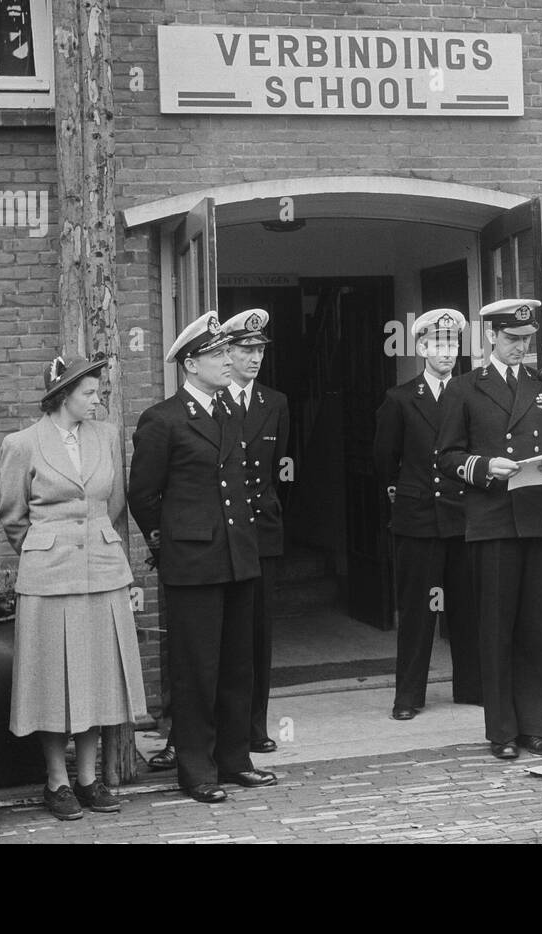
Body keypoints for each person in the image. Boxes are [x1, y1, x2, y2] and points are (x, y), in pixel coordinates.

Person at [127, 311, 275, 803]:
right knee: (197, 669)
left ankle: (234, 759)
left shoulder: (228, 411)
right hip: (193, 563)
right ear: (191, 364)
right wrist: (167, 546)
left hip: (237, 556)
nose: (228, 363)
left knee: (238, 665)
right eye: (216, 356)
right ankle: (196, 768)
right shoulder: (163, 419)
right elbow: (143, 494)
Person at [0, 355, 148, 821]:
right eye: (89, 392)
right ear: (62, 395)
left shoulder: (105, 436)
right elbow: (11, 514)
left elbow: (114, 502)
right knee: (51, 682)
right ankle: (57, 781)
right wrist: (49, 549)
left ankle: (88, 779)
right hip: (49, 579)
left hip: (102, 572)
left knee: (96, 679)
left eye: (98, 390)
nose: (97, 398)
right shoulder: (21, 444)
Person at [437, 298, 542, 761]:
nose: (520, 348)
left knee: (537, 627)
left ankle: (537, 726)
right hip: (493, 519)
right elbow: (447, 456)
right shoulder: (464, 388)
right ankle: (503, 732)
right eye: (512, 340)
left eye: (526, 341)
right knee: (497, 627)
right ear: (491, 336)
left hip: (538, 516)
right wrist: (483, 466)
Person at [374, 308, 481, 721]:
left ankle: (472, 687)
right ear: (420, 348)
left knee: (466, 606)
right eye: (438, 344)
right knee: (418, 610)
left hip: (461, 514)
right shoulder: (400, 398)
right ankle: (408, 696)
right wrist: (403, 493)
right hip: (418, 517)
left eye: (453, 344)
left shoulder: (470, 394)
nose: (447, 352)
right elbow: (384, 458)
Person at [219, 309, 288, 754]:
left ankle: (255, 725)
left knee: (258, 635)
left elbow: (280, 467)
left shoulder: (274, 403)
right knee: (223, 634)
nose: (254, 357)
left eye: (260, 349)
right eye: (246, 349)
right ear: (226, 351)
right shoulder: (210, 399)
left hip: (261, 531)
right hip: (222, 534)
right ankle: (212, 727)